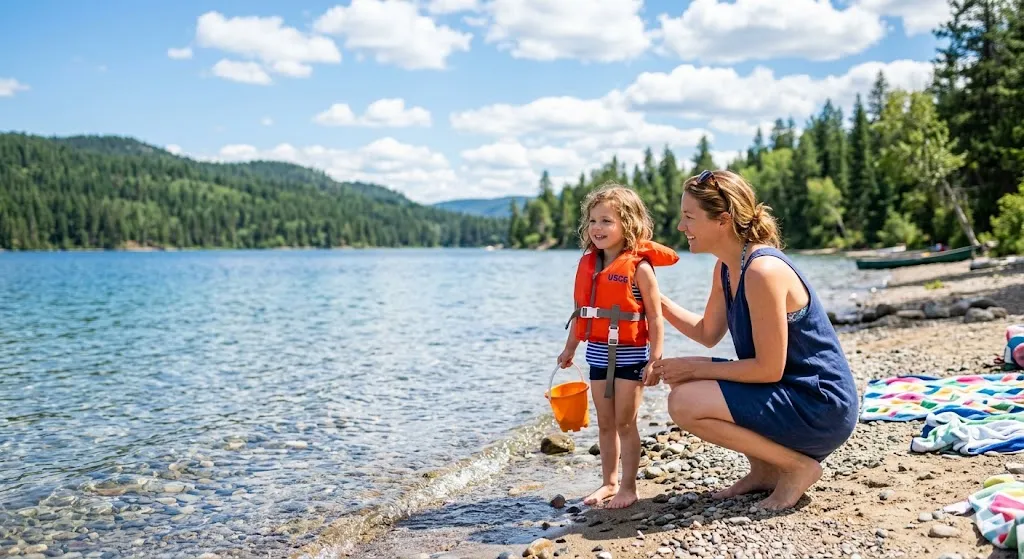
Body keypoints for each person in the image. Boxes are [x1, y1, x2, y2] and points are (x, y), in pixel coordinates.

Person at [650, 169, 859, 511]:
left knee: (684, 401)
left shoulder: (763, 271)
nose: (680, 227)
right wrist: (657, 300)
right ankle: (764, 470)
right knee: (685, 387)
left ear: (723, 220)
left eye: (689, 217)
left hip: (819, 404)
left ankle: (796, 467)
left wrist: (695, 368)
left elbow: (768, 369)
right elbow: (707, 333)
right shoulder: (727, 267)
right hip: (788, 391)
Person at [557, 182, 679, 509]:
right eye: (593, 220)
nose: (597, 228)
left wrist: (656, 359)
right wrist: (569, 349)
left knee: (626, 423)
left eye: (607, 221)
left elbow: (655, 318)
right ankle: (608, 483)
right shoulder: (590, 266)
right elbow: (581, 315)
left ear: (629, 224)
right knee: (606, 423)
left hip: (631, 357)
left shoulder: (640, 268)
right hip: (597, 354)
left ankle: (628, 487)